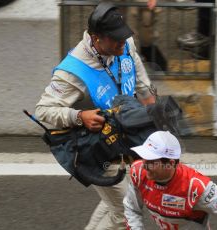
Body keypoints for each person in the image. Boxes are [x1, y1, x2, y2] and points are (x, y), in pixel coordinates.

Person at [35, 3, 155, 230]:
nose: (123, 43)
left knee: (125, 199)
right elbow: (44, 110)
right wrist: (80, 115)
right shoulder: (71, 72)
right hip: (96, 147)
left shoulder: (125, 44)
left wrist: (151, 107)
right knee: (126, 213)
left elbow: (138, 74)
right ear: (96, 38)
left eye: (124, 36)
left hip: (125, 138)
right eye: (116, 39)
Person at [123, 130, 217, 229]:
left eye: (151, 161)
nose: (144, 165)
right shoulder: (138, 172)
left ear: (170, 163)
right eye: (144, 157)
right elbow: (131, 209)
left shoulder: (197, 187)